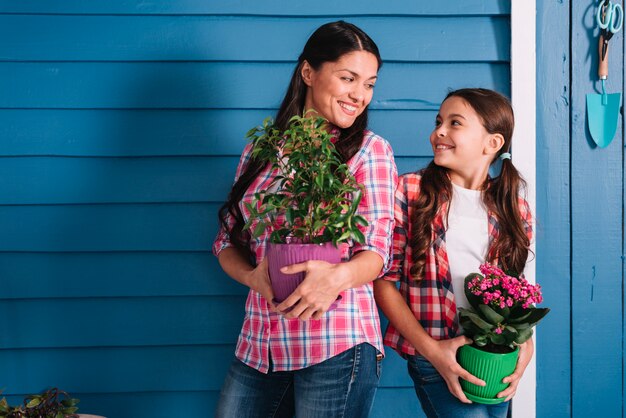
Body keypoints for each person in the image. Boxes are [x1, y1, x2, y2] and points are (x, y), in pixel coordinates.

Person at [213, 21, 398, 418]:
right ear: (309, 72)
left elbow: (378, 249)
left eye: (369, 84)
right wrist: (251, 278)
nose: (359, 95)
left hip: (336, 339)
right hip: (260, 342)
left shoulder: (369, 151)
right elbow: (227, 241)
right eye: (348, 78)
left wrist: (336, 278)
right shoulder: (259, 150)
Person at [374, 88, 533, 418]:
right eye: (438, 121)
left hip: (495, 355)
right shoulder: (410, 192)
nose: (439, 132)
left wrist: (525, 346)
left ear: (492, 144)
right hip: (438, 354)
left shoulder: (514, 206)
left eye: (455, 123)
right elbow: (384, 283)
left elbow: (516, 291)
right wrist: (432, 351)